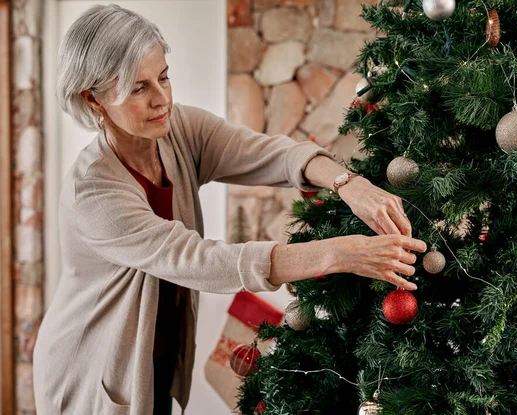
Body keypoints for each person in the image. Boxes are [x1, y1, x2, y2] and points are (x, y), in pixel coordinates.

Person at [32, 4, 427, 415]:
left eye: (163, 77)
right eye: (137, 88)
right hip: (91, 374)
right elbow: (200, 260)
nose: (161, 98)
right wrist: (342, 253)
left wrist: (349, 183)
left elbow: (266, 153)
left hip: (156, 361)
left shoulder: (177, 129)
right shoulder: (92, 192)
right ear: (93, 99)